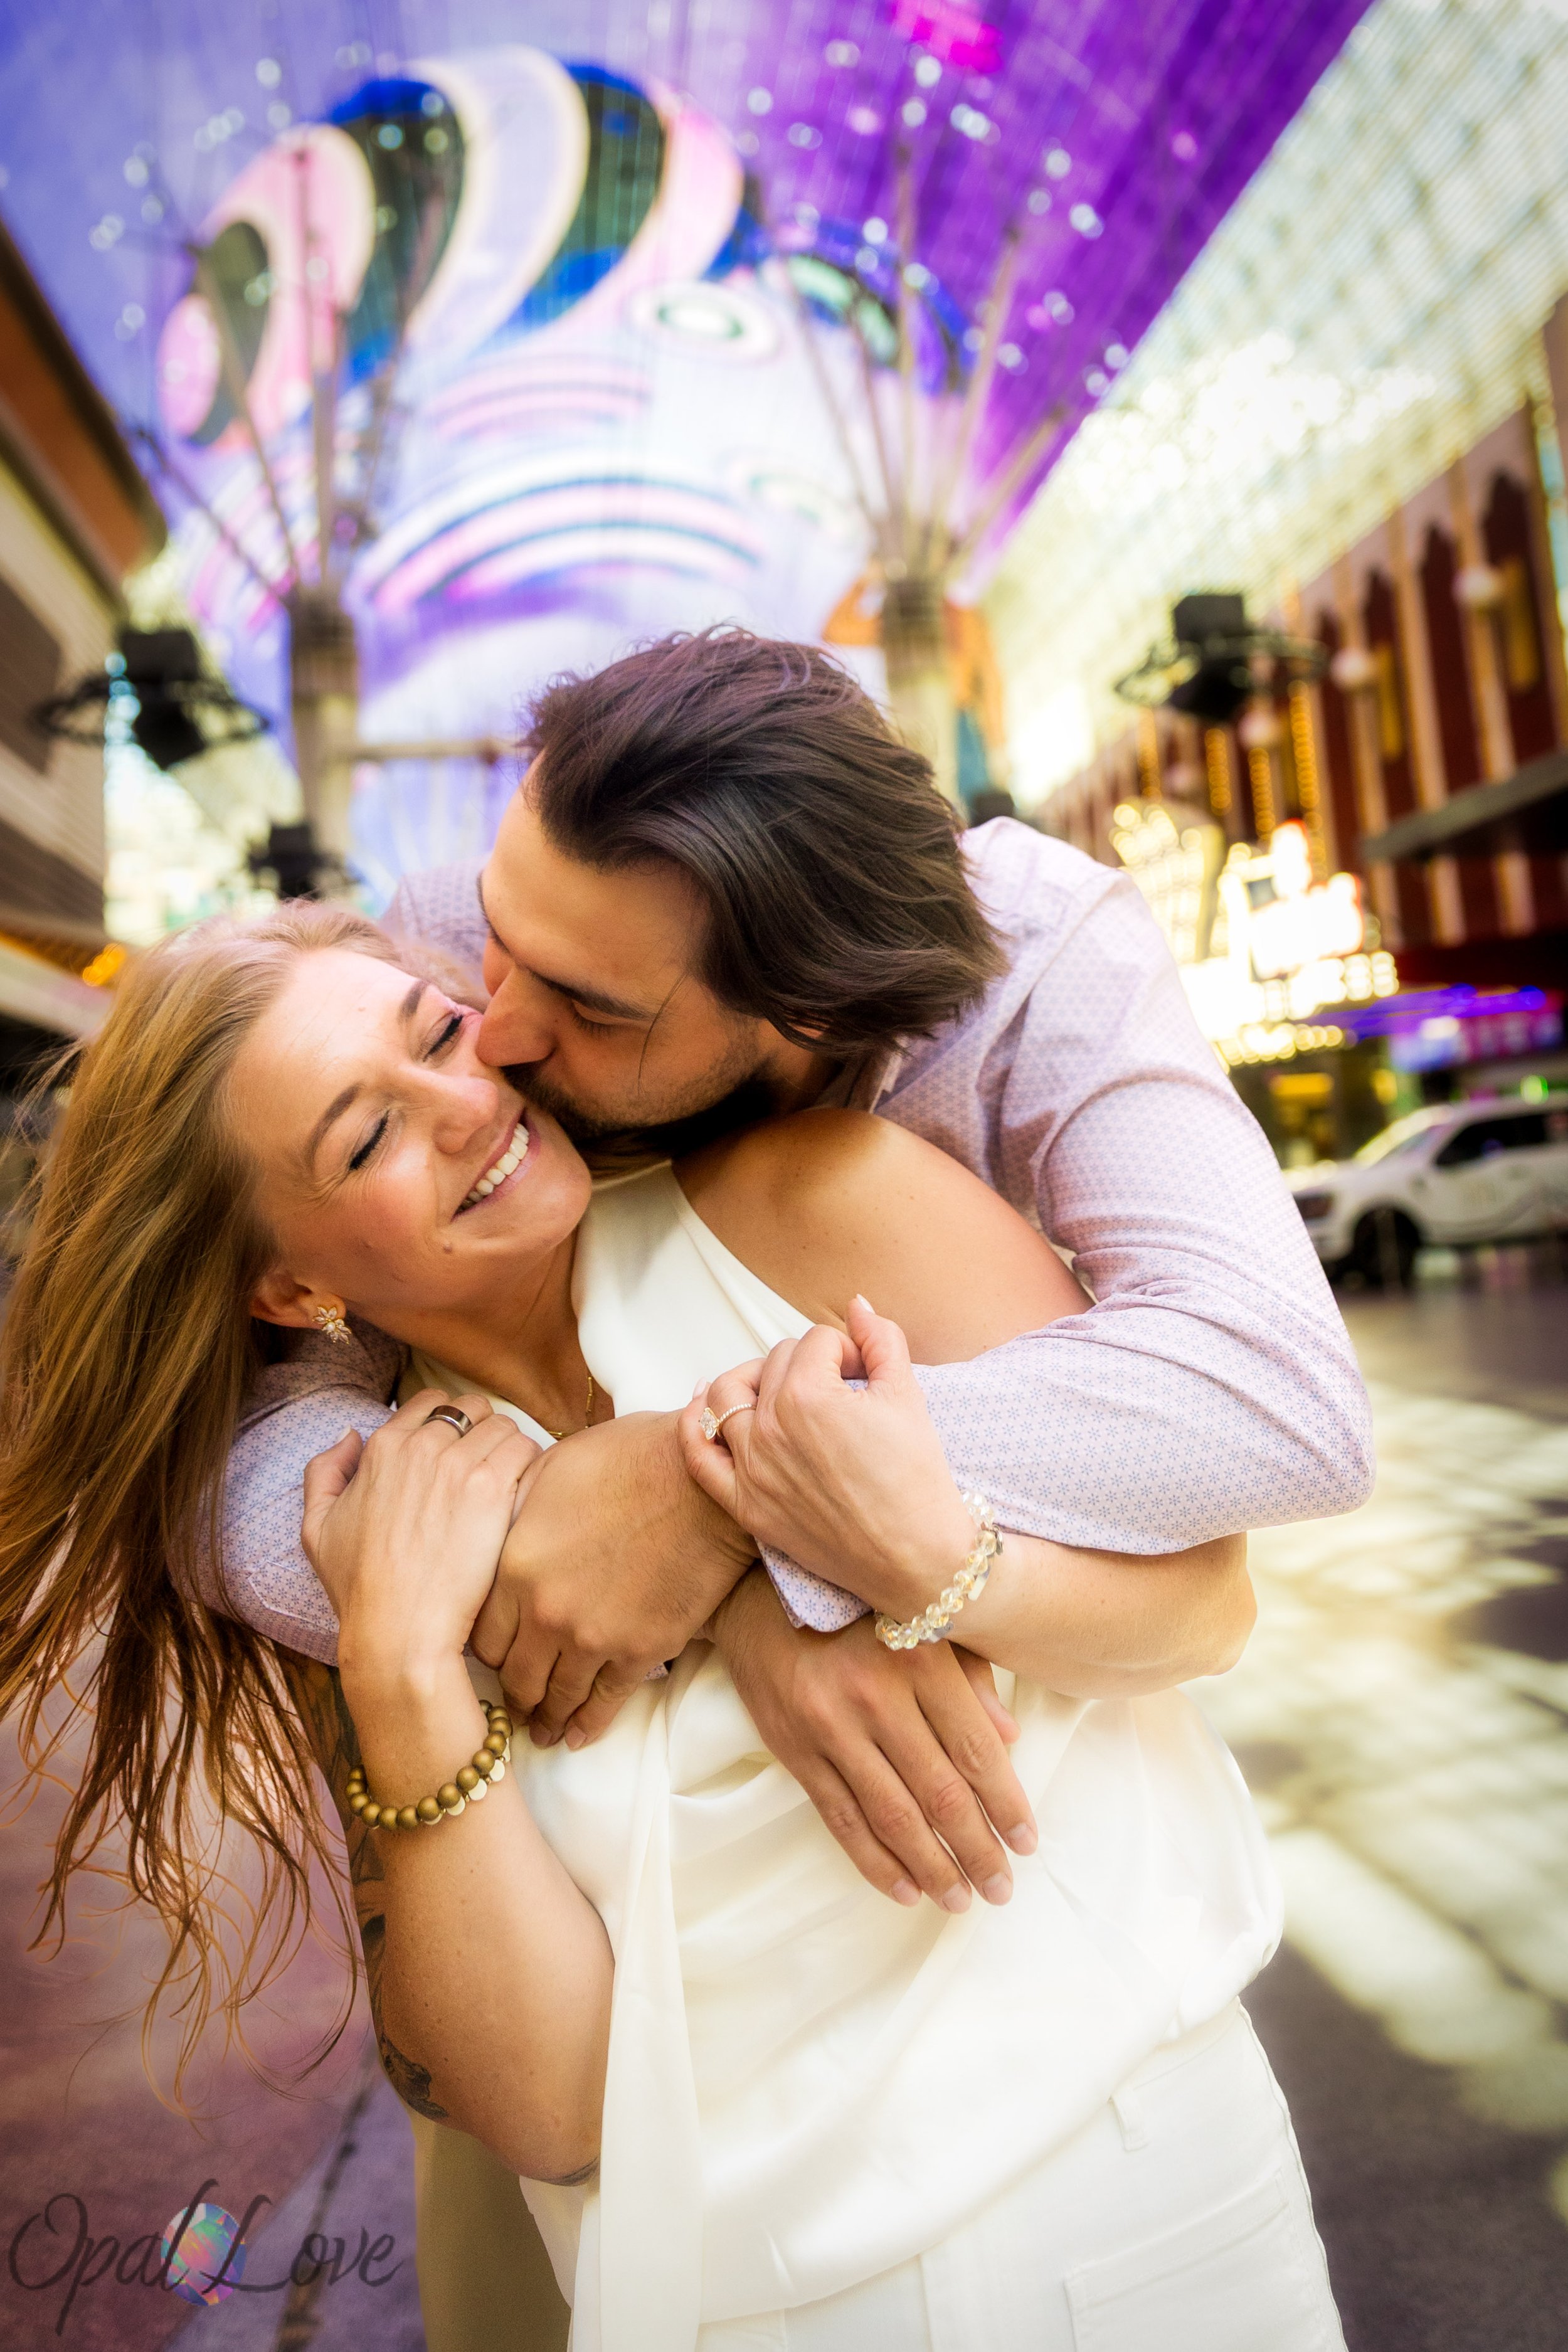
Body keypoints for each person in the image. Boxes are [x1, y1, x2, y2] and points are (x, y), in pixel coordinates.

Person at [0, 895, 1346, 2352]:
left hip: (1131, 2217)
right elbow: (550, 2105)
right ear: (294, 1284)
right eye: (366, 1136)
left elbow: (1205, 1604)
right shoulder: (380, 1528)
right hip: (721, 2304)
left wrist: (886, 1565)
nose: (460, 1108)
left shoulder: (813, 1199)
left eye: (441, 1036)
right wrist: (402, 1676)